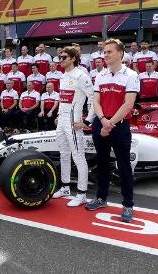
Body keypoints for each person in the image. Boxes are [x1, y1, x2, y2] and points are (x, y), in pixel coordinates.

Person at [86, 39, 139, 223]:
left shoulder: (131, 75)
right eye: (104, 51)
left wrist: (109, 124)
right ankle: (101, 198)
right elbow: (96, 101)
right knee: (101, 163)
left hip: (119, 125)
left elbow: (128, 104)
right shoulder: (100, 75)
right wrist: (102, 120)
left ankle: (128, 205)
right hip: (102, 122)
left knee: (124, 166)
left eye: (109, 51)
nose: (105, 54)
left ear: (120, 53)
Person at [52, 46, 94, 207]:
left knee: (78, 156)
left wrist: (86, 121)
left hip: (74, 123)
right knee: (63, 154)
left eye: (63, 57)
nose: (60, 60)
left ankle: (82, 193)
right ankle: (65, 188)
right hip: (62, 121)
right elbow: (64, 100)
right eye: (59, 57)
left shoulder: (81, 76)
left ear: (73, 59)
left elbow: (93, 99)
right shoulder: (63, 76)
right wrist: (58, 116)